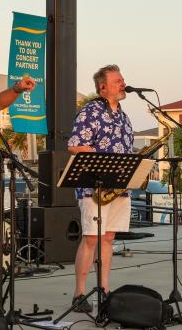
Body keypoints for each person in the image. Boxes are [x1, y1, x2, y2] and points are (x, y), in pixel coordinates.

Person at [67, 65, 134, 313]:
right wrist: (101, 157)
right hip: (93, 187)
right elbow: (75, 146)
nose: (123, 83)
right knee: (91, 238)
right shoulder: (90, 111)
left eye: (122, 79)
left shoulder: (124, 116)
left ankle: (104, 289)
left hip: (118, 188)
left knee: (108, 238)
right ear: (102, 86)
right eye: (118, 80)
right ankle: (80, 293)